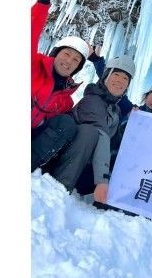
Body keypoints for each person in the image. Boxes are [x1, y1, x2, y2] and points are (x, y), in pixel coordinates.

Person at [46, 55, 136, 204]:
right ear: (106, 76)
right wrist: (102, 180)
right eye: (116, 74)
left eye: (125, 79)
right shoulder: (92, 101)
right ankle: (59, 189)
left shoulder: (115, 109)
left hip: (85, 167)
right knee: (90, 133)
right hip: (59, 162)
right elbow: (102, 135)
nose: (120, 81)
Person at [31, 0, 92, 171]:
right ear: (56, 54)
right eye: (67, 54)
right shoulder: (33, 66)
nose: (69, 61)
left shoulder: (67, 99)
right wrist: (43, 4)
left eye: (76, 61)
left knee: (67, 123)